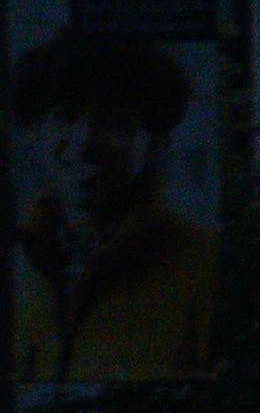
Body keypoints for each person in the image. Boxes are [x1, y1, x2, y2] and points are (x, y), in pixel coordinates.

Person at [14, 22, 219, 387]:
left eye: (113, 122)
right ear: (34, 132)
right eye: (65, 117)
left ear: (157, 144)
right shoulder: (19, 258)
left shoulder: (203, 267)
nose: (84, 143)